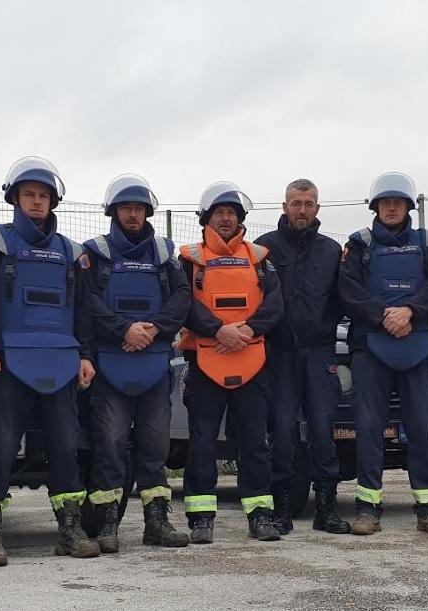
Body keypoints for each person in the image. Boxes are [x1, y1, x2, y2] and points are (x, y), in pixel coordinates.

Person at [0, 157, 100, 561]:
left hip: (61, 364)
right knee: (2, 444)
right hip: (8, 363)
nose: (36, 202)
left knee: (65, 444)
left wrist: (85, 355)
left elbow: (82, 311)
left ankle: (70, 528)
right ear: (14, 198)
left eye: (43, 196)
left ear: (53, 202)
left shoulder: (72, 253)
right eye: (29, 194)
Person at [338, 172, 428, 536]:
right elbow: (348, 289)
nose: (391, 208)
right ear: (375, 207)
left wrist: (410, 312)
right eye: (385, 202)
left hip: (417, 347)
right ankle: (368, 509)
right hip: (370, 348)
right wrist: (383, 315)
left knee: (420, 426)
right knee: (369, 428)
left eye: (398, 202)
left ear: (408, 206)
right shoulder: (359, 245)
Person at [82, 174, 191, 551]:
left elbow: (182, 299)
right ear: (114, 212)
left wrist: (152, 330)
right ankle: (107, 525)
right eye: (126, 208)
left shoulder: (164, 256)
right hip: (111, 364)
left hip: (154, 363)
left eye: (139, 209)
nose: (133, 215)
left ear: (148, 213)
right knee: (109, 444)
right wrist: (124, 330)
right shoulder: (95, 254)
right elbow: (87, 304)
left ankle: (156, 524)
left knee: (155, 446)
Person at [179, 181, 284, 543]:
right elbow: (183, 304)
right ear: (207, 218)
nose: (226, 219)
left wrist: (247, 329)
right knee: (202, 442)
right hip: (205, 363)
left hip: (252, 362)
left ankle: (260, 516)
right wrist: (218, 331)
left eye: (232, 213)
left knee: (255, 443)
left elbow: (275, 304)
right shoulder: (189, 258)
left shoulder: (259, 258)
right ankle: (200, 519)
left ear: (240, 218)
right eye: (219, 213)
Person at [253, 178, 350, 535]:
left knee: (324, 431)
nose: (302, 210)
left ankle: (327, 509)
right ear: (284, 207)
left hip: (320, 352)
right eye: (297, 203)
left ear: (318, 208)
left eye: (309, 204)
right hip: (278, 353)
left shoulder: (331, 250)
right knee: (282, 429)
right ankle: (281, 509)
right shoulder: (263, 248)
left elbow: (343, 298)